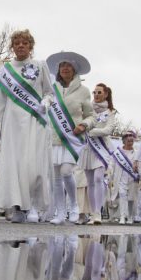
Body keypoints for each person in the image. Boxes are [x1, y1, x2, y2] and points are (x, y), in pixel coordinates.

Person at [0, 30, 52, 223]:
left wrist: (45, 103)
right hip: (12, 124)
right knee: (14, 165)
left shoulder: (40, 66)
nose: (20, 46)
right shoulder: (5, 71)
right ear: (12, 46)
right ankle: (17, 207)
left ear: (30, 46)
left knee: (33, 165)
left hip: (35, 121)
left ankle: (33, 204)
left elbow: (50, 92)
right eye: (17, 43)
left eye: (24, 43)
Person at [43, 52, 94, 225]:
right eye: (62, 65)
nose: (65, 68)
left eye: (68, 66)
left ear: (74, 70)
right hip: (54, 137)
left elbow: (91, 116)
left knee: (66, 171)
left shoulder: (84, 91)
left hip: (72, 138)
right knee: (56, 177)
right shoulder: (52, 88)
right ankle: (60, 211)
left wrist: (84, 125)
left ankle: (74, 206)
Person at [78, 82, 120, 224]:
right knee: (89, 182)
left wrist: (91, 131)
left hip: (102, 149)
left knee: (98, 179)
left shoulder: (110, 112)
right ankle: (92, 212)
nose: (96, 95)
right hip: (88, 149)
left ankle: (98, 213)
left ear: (106, 94)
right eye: (94, 92)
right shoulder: (87, 109)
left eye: (99, 92)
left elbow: (108, 130)